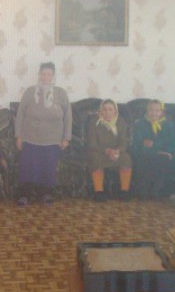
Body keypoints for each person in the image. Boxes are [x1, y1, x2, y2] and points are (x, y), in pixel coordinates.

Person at [15, 62, 72, 206]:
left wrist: (66, 137)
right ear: (39, 75)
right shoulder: (30, 91)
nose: (46, 77)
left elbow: (68, 116)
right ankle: (25, 194)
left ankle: (45, 194)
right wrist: (19, 136)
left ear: (53, 76)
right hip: (30, 137)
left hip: (52, 139)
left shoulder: (61, 93)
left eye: (49, 74)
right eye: (43, 74)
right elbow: (20, 113)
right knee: (28, 167)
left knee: (48, 167)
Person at [86, 99, 133, 202]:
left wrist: (117, 151)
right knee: (94, 159)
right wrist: (107, 151)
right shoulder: (94, 123)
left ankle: (124, 191)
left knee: (126, 158)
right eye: (104, 109)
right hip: (99, 152)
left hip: (116, 152)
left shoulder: (121, 122)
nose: (107, 112)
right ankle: (99, 192)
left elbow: (124, 143)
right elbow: (92, 145)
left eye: (110, 110)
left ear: (115, 111)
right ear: (100, 111)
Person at [131, 99, 175, 199]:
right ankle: (143, 190)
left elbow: (170, 144)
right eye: (151, 110)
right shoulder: (140, 124)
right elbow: (137, 144)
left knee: (164, 159)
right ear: (147, 111)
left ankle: (156, 190)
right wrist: (156, 149)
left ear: (162, 112)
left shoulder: (168, 125)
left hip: (162, 154)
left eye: (157, 110)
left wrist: (154, 145)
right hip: (145, 153)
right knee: (144, 159)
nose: (154, 113)